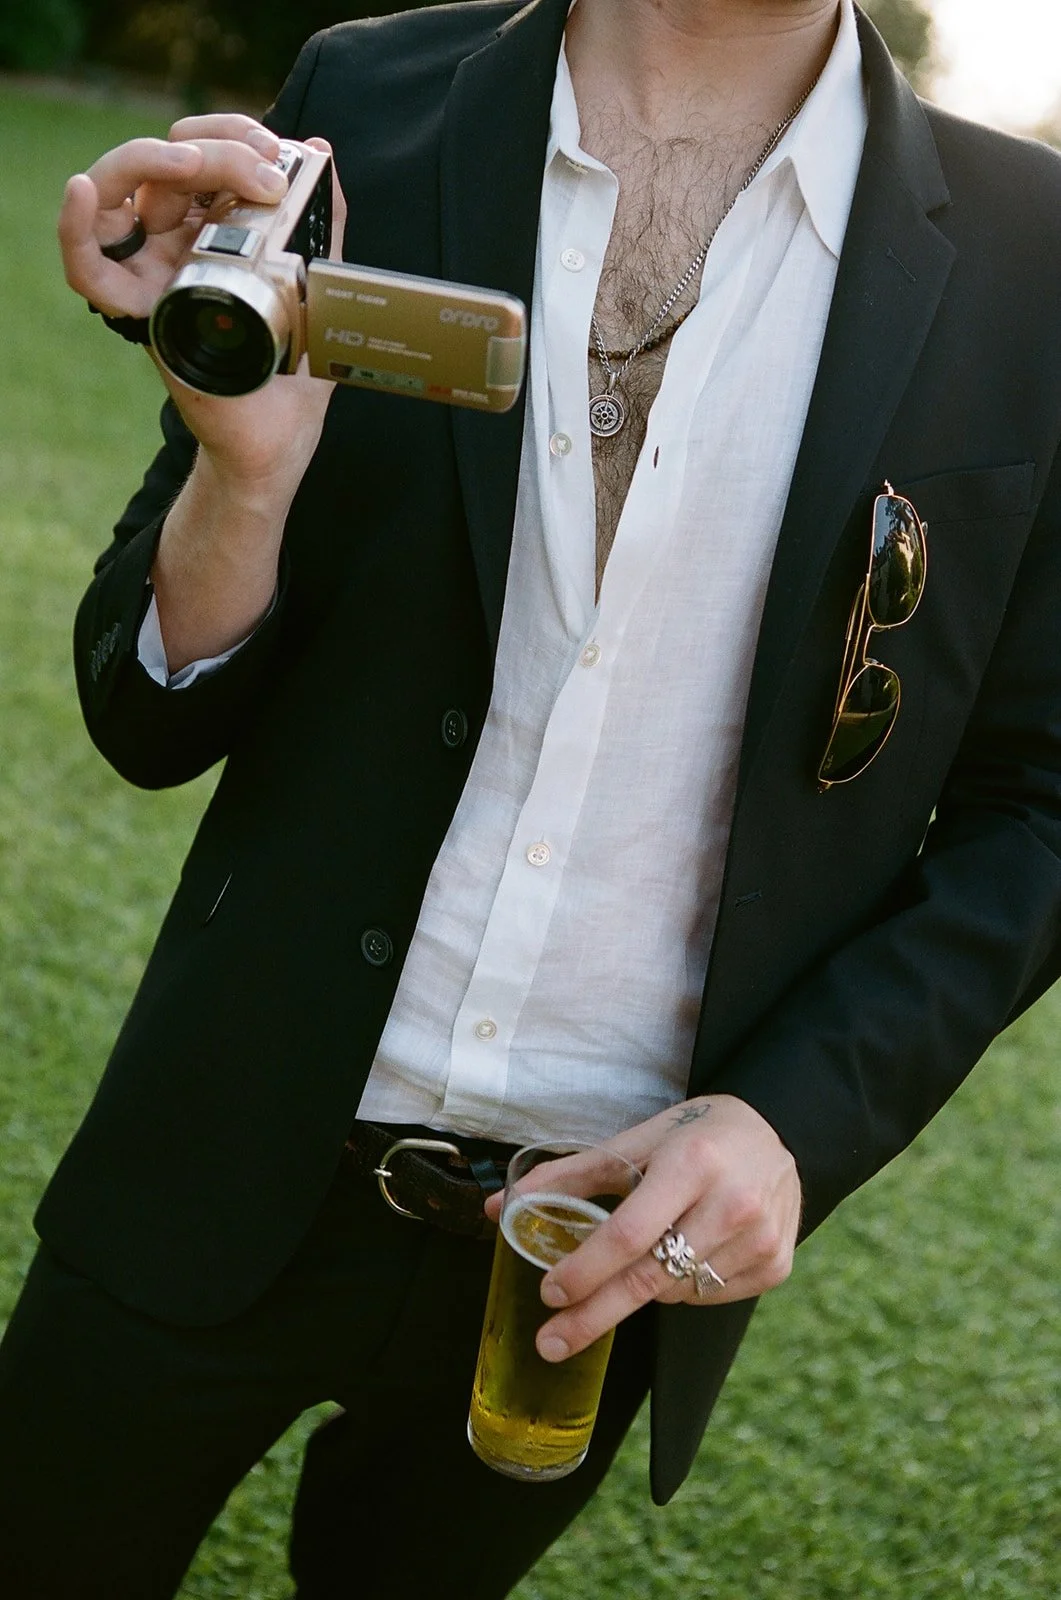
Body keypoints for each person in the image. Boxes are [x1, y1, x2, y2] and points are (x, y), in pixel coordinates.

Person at [3, 0, 1061, 1593]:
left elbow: (1038, 802)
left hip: (593, 1253)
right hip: (224, 1135)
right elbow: (143, 714)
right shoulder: (367, 104)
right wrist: (243, 474)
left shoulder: (1034, 257)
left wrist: (794, 1126)